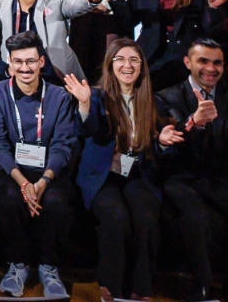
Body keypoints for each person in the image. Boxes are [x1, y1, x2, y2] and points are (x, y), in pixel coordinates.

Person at [157, 39, 228, 302]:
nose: (211, 68)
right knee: (197, 219)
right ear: (188, 63)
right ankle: (201, 285)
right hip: (181, 177)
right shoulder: (166, 97)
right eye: (203, 61)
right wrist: (194, 123)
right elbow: (170, 142)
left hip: (222, 178)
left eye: (217, 62)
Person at [68, 39, 171, 300]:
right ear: (110, 65)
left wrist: (162, 142)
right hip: (103, 176)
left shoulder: (153, 102)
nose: (128, 65)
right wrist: (83, 105)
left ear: (142, 66)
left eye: (134, 60)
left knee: (146, 219)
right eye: (121, 59)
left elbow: (160, 149)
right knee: (116, 218)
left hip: (138, 175)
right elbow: (86, 130)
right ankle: (110, 286)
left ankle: (141, 288)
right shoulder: (96, 97)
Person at [0, 32, 78, 298]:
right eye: (18, 61)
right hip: (14, 169)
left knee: (56, 203)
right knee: (9, 199)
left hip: (49, 169)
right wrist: (24, 182)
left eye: (30, 61)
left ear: (41, 62)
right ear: (10, 64)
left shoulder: (59, 96)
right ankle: (18, 264)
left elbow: (62, 146)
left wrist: (43, 181)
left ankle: (49, 267)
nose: (24, 68)